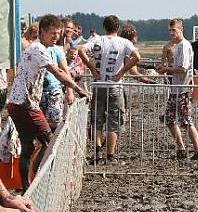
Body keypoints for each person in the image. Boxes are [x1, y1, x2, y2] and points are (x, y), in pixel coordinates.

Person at [7, 15, 91, 191]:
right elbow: (58, 72)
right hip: (25, 104)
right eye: (53, 33)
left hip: (18, 103)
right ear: (42, 32)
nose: (56, 37)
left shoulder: (39, 48)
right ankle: (39, 183)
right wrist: (79, 89)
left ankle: (27, 188)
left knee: (28, 146)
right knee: (49, 141)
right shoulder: (38, 49)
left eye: (58, 34)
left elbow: (59, 71)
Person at [79, 15, 141, 164]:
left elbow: (81, 51)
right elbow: (137, 56)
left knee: (97, 119)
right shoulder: (124, 42)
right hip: (114, 86)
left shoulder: (97, 40)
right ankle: (110, 155)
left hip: (98, 84)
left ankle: (98, 151)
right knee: (114, 121)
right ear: (117, 28)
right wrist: (121, 72)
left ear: (104, 28)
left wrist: (92, 69)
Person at [156, 19, 198, 160]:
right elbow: (169, 65)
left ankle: (197, 150)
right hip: (174, 88)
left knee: (187, 121)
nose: (171, 33)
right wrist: (164, 63)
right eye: (169, 30)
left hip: (184, 88)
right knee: (169, 119)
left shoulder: (184, 46)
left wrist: (166, 69)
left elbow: (183, 69)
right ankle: (181, 147)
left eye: (173, 30)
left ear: (181, 30)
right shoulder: (173, 46)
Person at [40, 38, 75, 131]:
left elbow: (65, 70)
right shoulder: (35, 49)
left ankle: (52, 143)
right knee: (39, 123)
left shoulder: (56, 50)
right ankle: (42, 144)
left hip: (54, 90)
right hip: (38, 91)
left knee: (54, 121)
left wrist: (70, 91)